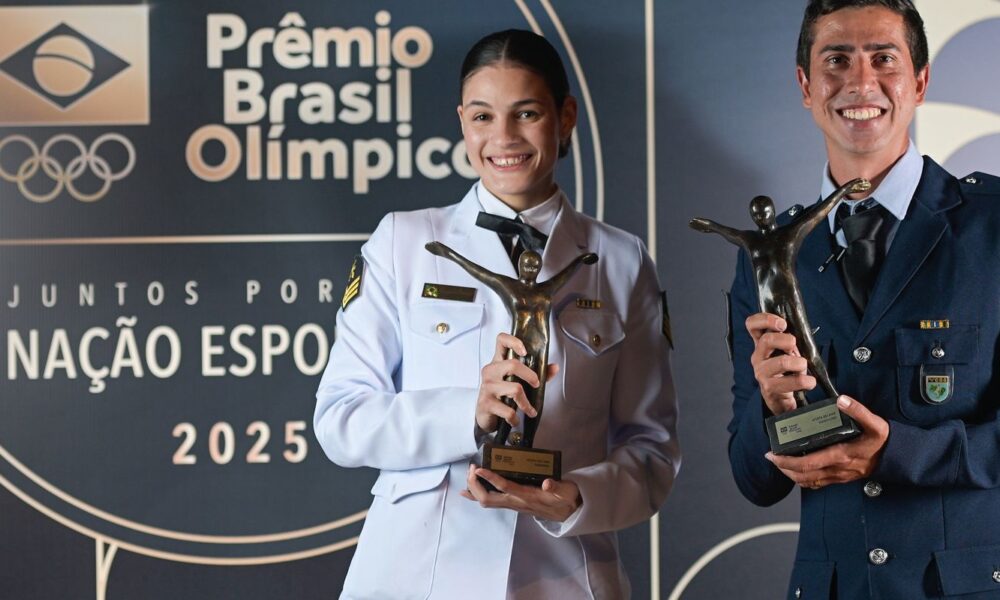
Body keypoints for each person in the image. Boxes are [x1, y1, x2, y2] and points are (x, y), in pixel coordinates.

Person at [315, 29, 679, 599]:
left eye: (526, 113)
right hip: (417, 576)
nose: (503, 138)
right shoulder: (402, 242)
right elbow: (341, 420)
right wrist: (468, 412)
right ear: (462, 122)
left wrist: (578, 497)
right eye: (482, 117)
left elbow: (652, 449)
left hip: (565, 574)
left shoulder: (622, 259)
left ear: (565, 116)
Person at [727, 1, 1000, 598]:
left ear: (920, 81)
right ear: (805, 84)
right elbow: (753, 479)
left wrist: (897, 454)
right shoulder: (770, 258)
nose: (860, 82)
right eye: (836, 60)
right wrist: (772, 408)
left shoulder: (993, 226)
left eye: (884, 59)